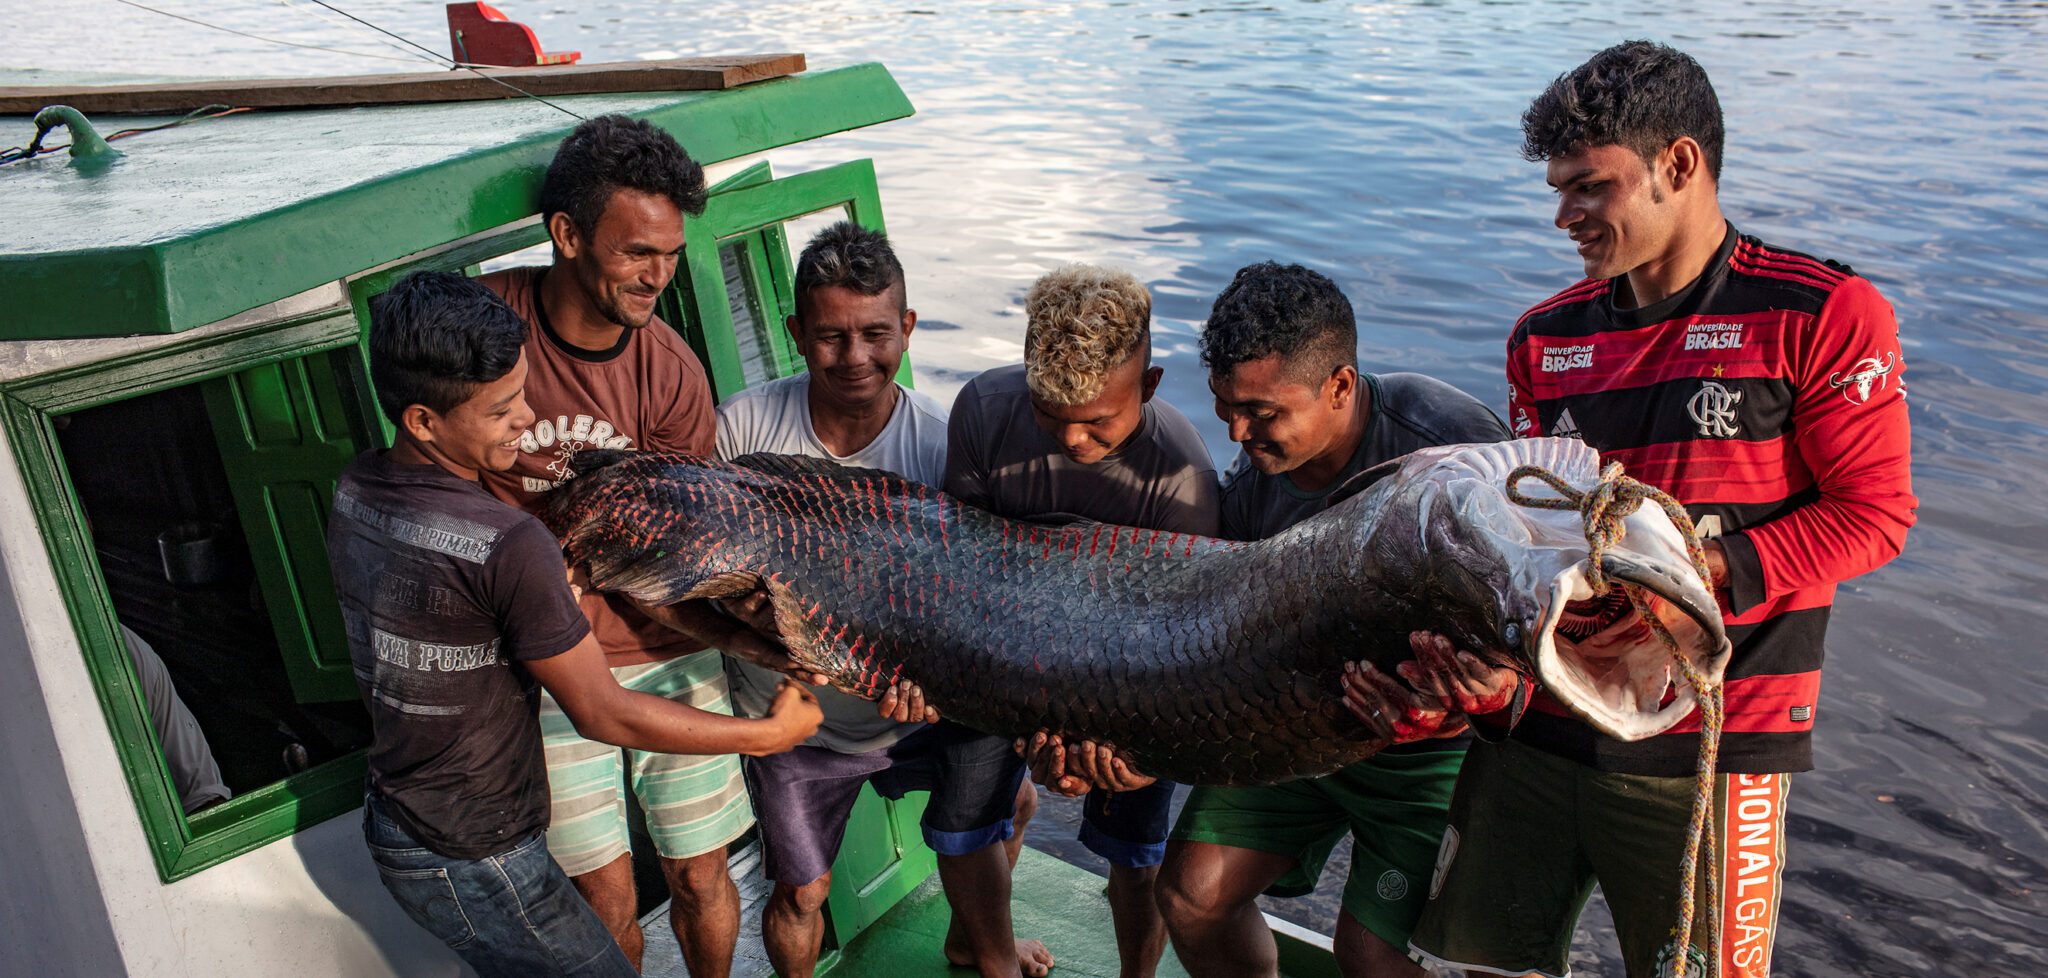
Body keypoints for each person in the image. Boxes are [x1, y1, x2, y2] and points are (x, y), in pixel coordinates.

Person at [1407, 41, 1916, 978]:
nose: (1564, 215)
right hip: (1543, 724)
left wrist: (1695, 575)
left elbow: (1874, 514)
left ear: (1678, 165)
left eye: (1589, 187)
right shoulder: (1543, 338)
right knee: (1483, 964)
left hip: (1722, 746)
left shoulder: (1823, 315)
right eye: (1558, 189)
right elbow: (1535, 535)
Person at [328, 270, 821, 978]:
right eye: (500, 412)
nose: (526, 420)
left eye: (522, 393)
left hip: (398, 821)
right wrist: (770, 736)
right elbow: (603, 711)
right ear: (423, 421)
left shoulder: (358, 488)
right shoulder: (508, 543)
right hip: (477, 849)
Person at [1030, 262, 1493, 978]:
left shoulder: (1449, 443)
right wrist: (1118, 751)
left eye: (1263, 413)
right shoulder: (1249, 495)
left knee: (1370, 955)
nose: (1239, 433)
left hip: (1430, 757)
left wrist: (1473, 694)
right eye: (1225, 409)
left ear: (1339, 385)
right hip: (1298, 737)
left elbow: (1534, 603)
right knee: (1187, 896)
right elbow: (1213, 659)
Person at [715, 221, 1054, 978]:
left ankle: (970, 938)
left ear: (907, 327)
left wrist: (936, 689)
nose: (856, 358)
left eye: (875, 333)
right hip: (793, 720)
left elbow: (974, 603)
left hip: (913, 709)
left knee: (1018, 804)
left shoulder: (942, 445)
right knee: (804, 892)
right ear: (796, 332)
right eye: (832, 336)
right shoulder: (741, 428)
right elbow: (717, 588)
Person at [471, 114, 750, 975]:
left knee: (702, 875)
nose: (658, 277)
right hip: (546, 657)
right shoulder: (486, 332)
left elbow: (682, 550)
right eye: (636, 253)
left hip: (661, 641)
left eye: (669, 254)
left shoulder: (671, 372)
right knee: (603, 896)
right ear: (567, 235)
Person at [951, 263, 1221, 978]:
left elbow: (1175, 645)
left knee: (1136, 855)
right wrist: (1030, 731)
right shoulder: (982, 409)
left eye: (1098, 420)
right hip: (996, 655)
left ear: (1151, 385)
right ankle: (984, 956)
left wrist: (1097, 754)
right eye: (1050, 413)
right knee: (966, 820)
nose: (1072, 440)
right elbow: (961, 573)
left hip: (1134, 682)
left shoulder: (1183, 478)